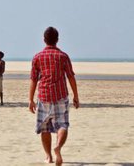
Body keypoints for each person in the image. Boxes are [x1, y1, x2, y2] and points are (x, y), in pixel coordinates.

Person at [29, 27, 80, 166]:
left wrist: (30, 100)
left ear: (44, 40)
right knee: (63, 125)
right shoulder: (63, 56)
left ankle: (49, 156)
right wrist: (76, 96)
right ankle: (58, 146)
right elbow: (70, 76)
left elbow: (33, 79)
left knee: (44, 128)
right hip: (60, 96)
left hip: (44, 96)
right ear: (57, 40)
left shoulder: (37, 57)